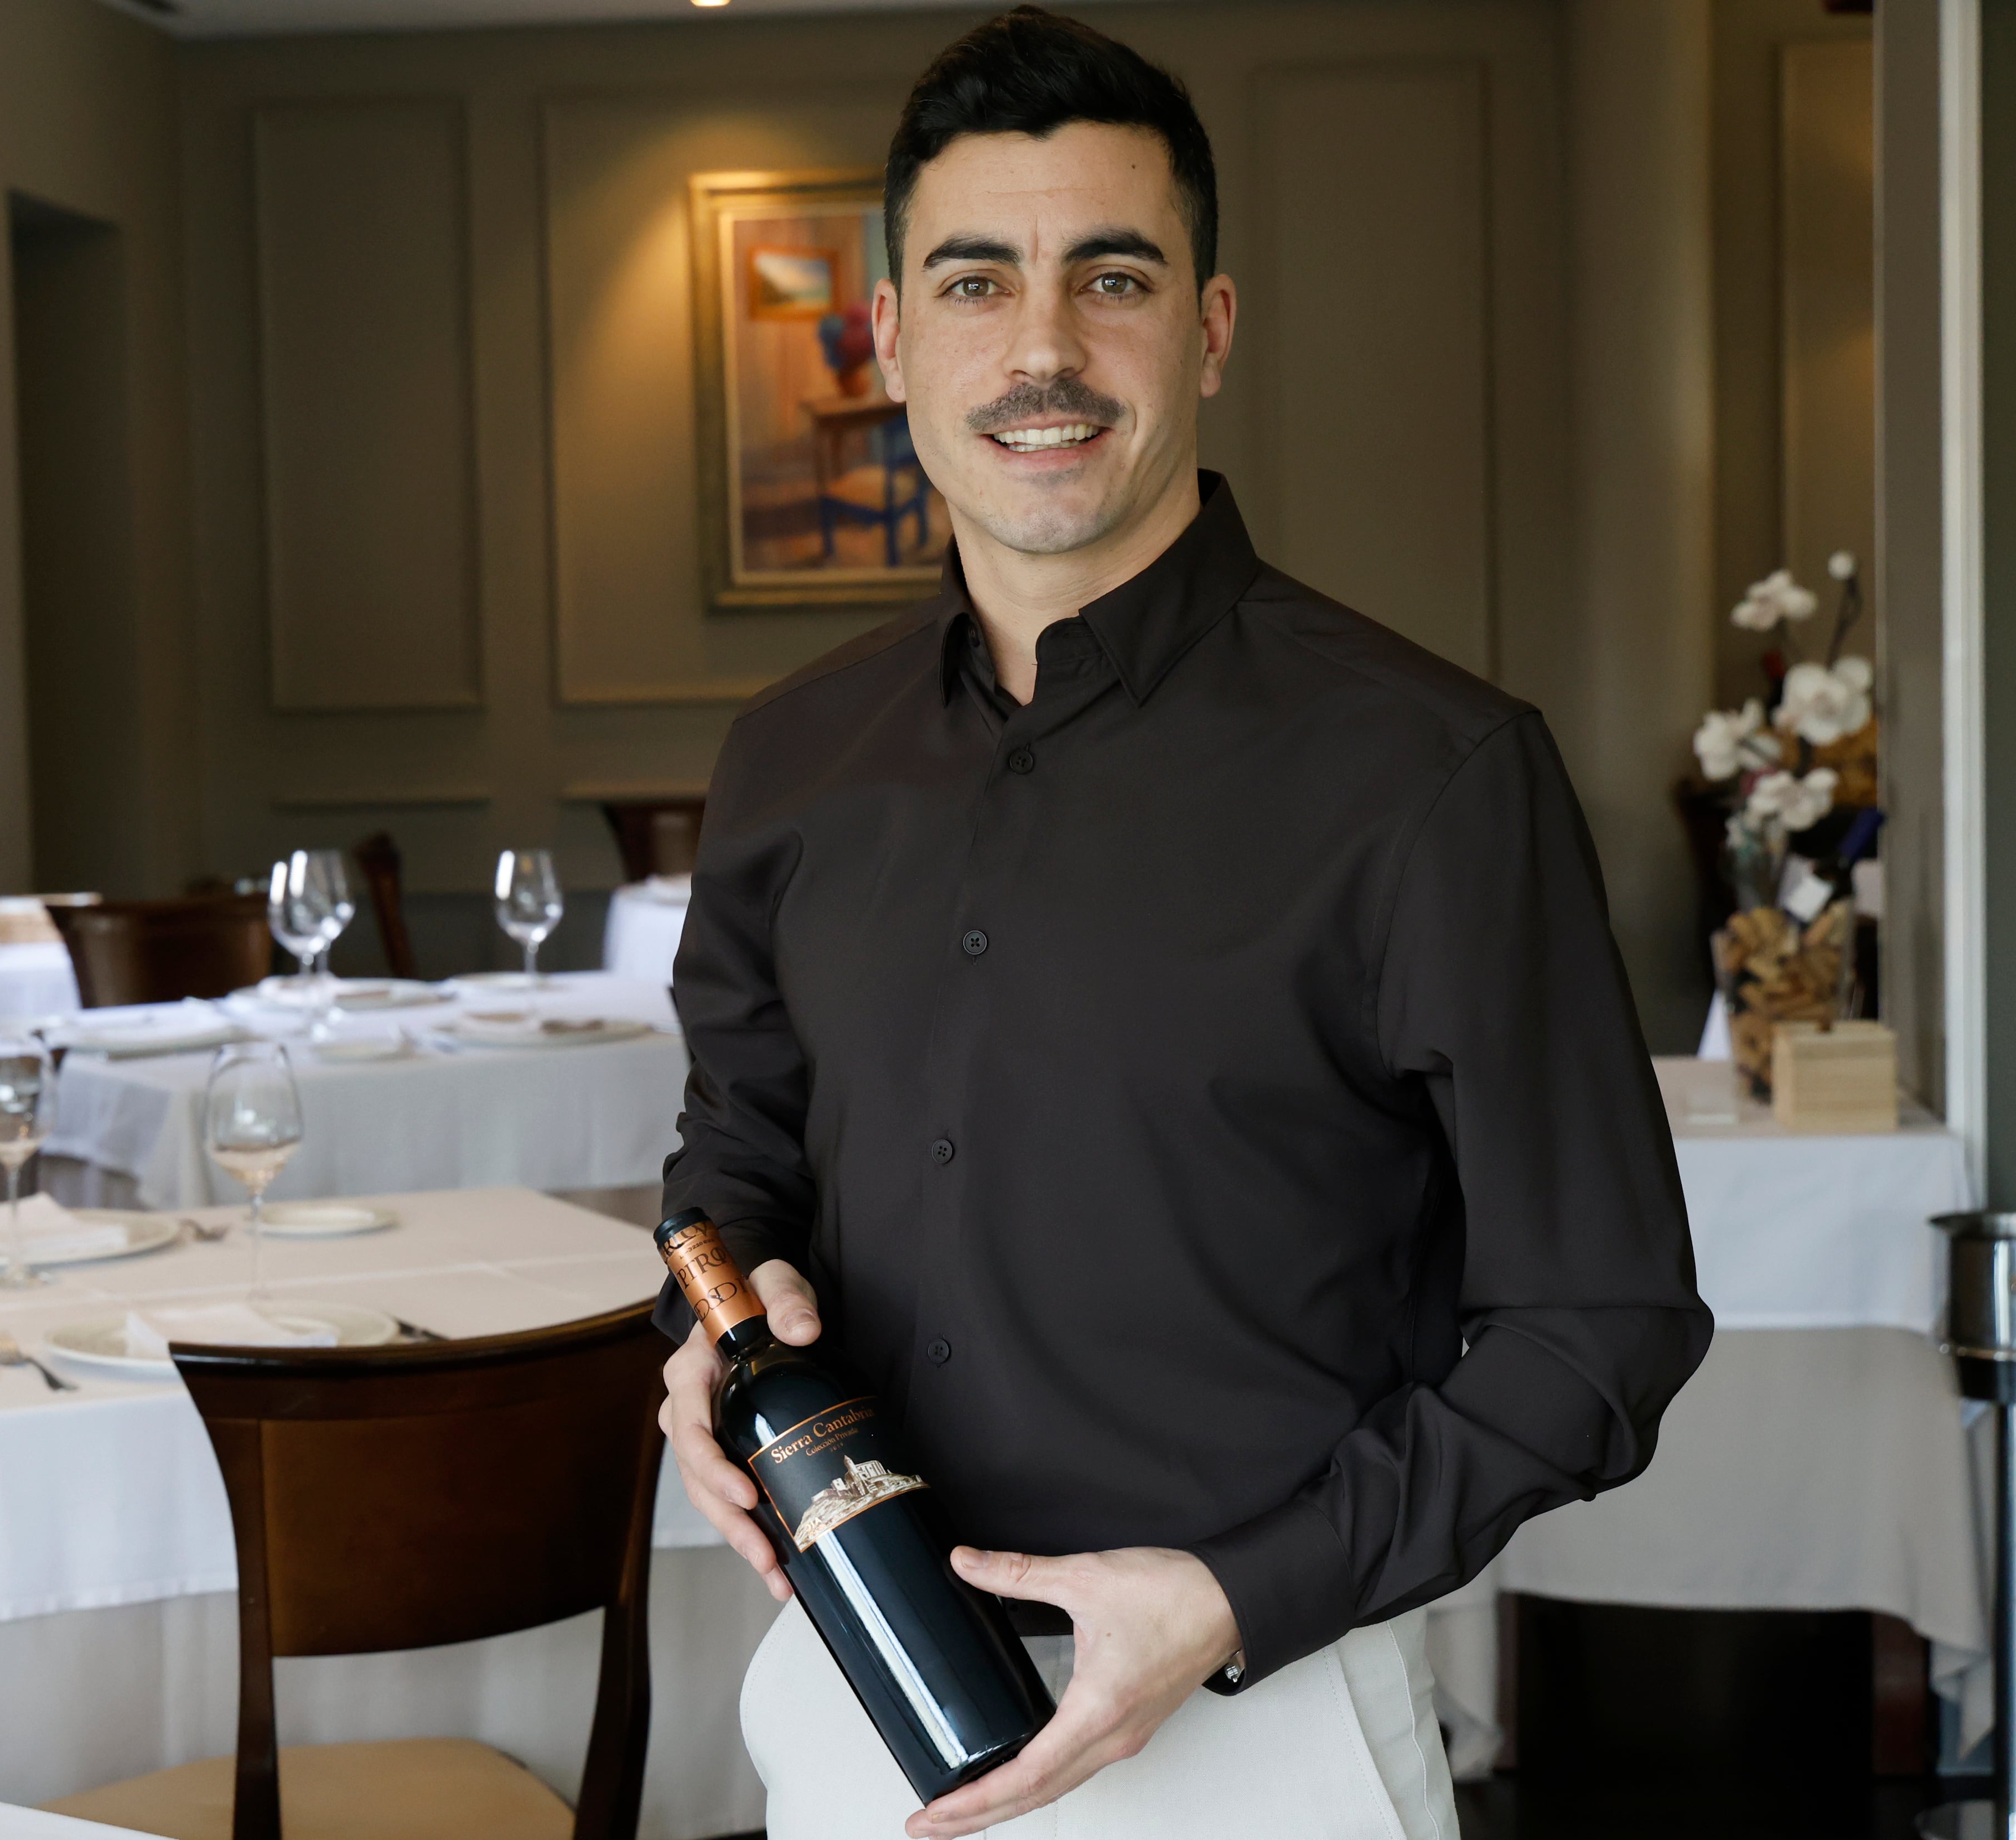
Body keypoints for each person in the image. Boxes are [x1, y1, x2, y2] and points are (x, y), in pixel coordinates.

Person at [654, 11, 1710, 1838]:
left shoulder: (1436, 773)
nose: (1043, 350)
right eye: (976, 282)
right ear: (894, 336)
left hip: (1275, 1740)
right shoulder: (788, 761)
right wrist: (702, 1338)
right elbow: (731, 1163)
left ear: (1209, 325)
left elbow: (1599, 1326)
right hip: (856, 1717)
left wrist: (1234, 1599)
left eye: (1112, 276)